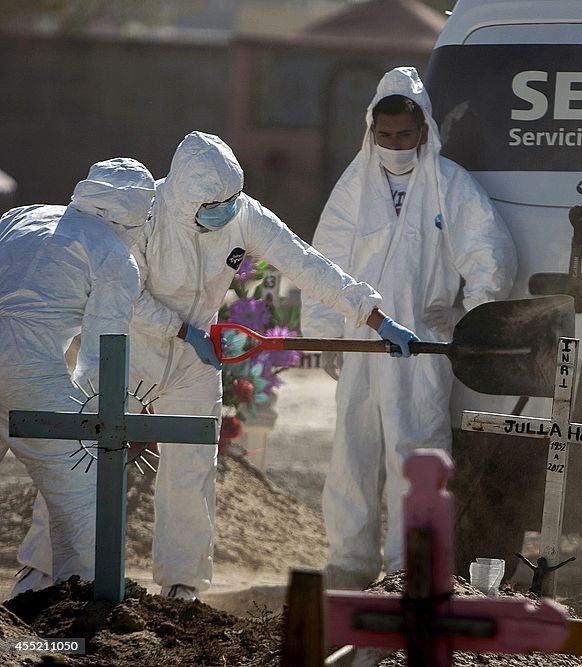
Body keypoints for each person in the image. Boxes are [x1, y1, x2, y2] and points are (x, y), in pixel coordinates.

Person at [14, 131, 419, 601]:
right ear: (184, 197)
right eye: (213, 203)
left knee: (191, 469)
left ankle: (181, 584)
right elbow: (123, 292)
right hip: (128, 349)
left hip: (194, 359)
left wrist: (375, 317)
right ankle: (41, 573)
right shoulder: (143, 213)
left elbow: (306, 263)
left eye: (230, 199)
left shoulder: (243, 214)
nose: (224, 209)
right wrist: (184, 330)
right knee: (82, 460)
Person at [302, 66, 517, 590]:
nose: (395, 144)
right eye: (386, 135)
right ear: (371, 133)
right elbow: (322, 261)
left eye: (404, 134)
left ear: (423, 132)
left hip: (421, 345)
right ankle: (349, 565)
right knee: (353, 453)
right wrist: (325, 330)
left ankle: (409, 569)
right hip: (360, 344)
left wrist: (468, 319)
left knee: (416, 455)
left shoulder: (450, 186)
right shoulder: (354, 186)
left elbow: (489, 256)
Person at [1, 158, 155, 597]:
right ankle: (84, 605)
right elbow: (100, 358)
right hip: (27, 372)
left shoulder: (23, 215)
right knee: (82, 489)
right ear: (134, 211)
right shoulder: (115, 255)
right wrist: (117, 423)